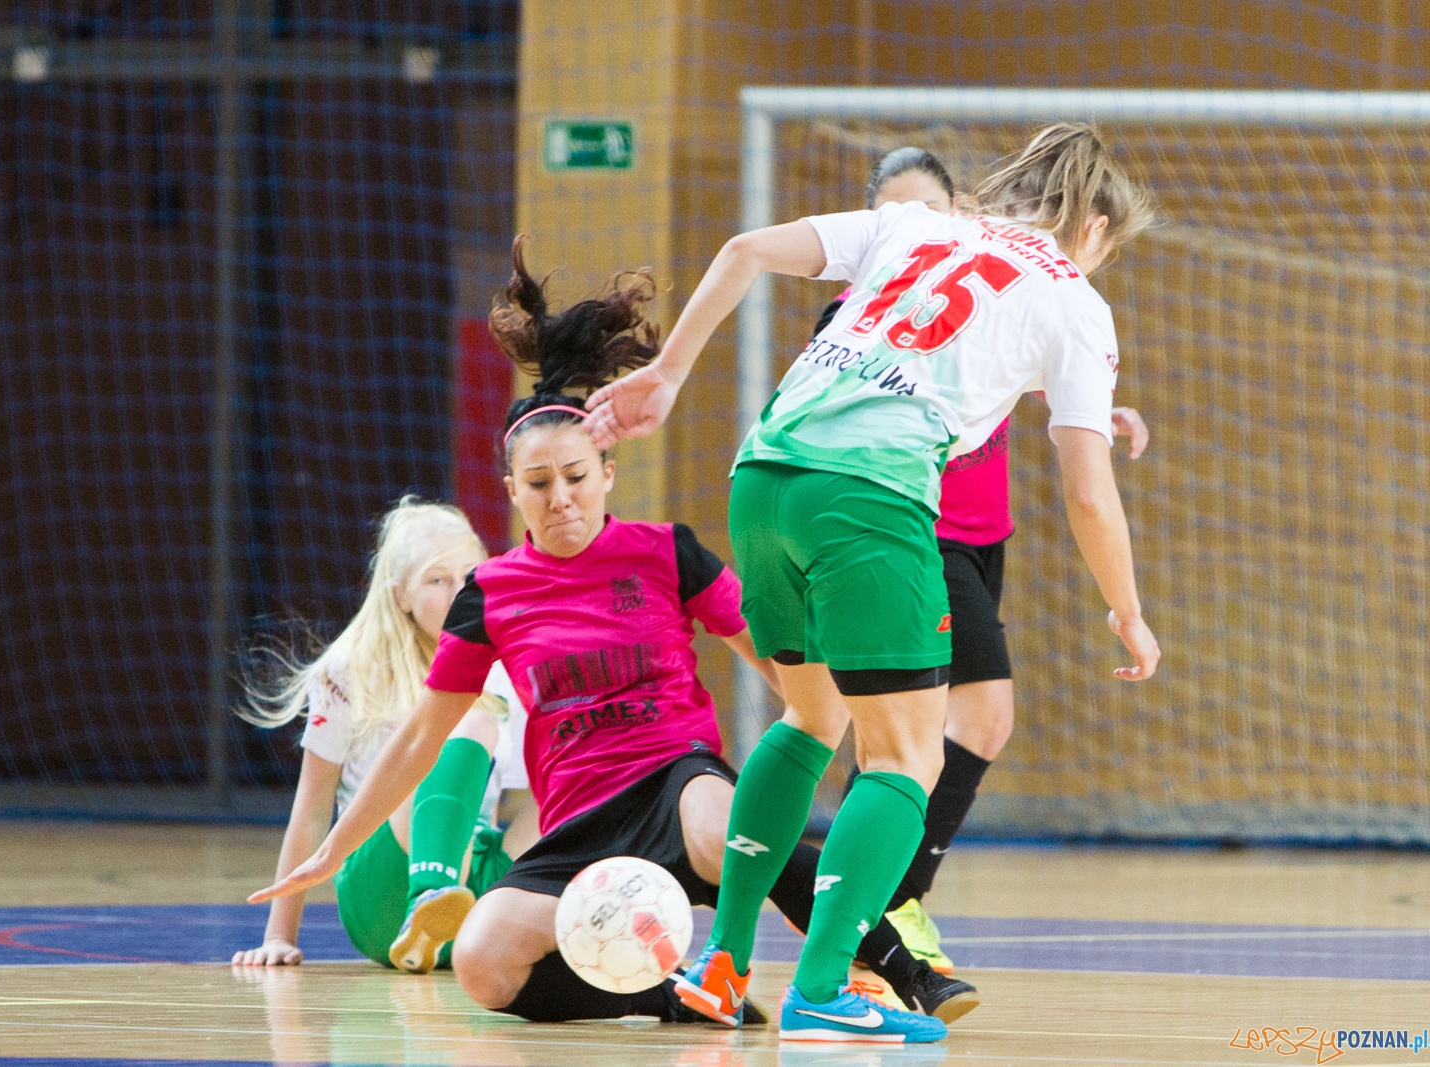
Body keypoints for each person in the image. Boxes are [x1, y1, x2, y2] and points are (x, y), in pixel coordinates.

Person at [244, 237, 955, 1040]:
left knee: (726, 825)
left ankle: (901, 965)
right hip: (577, 822)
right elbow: (424, 736)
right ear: (512, 491)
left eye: (577, 477)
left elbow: (778, 662)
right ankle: (675, 996)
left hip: (674, 777)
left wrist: (853, 725)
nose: (561, 498)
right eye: (539, 483)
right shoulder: (492, 591)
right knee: (481, 960)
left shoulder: (664, 551)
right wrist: (335, 847)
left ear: (608, 472)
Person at [583, 122, 1162, 1043]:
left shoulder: (915, 225)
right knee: (907, 758)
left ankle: (722, 966)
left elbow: (744, 249)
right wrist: (1126, 609)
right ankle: (822, 987)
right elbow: (1089, 493)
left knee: (810, 718)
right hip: (868, 498)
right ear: (1094, 226)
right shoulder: (1073, 296)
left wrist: (668, 372)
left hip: (765, 474)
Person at [823, 147, 1151, 978]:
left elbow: (1009, 356)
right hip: (910, 522)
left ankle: (868, 908)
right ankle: (883, 905)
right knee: (967, 716)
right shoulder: (864, 308)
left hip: (979, 534)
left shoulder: (999, 284)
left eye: (933, 212)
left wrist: (1096, 407)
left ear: (964, 212)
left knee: (918, 730)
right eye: (896, 214)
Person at [231, 497, 537, 974]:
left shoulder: (503, 670)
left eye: (468, 577)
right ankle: (429, 895)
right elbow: (312, 808)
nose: (458, 593)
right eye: (437, 580)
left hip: (470, 899)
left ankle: (579, 924)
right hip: (381, 897)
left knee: (581, 771)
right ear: (400, 596)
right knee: (462, 725)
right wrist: (278, 936)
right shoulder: (350, 668)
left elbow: (494, 811)